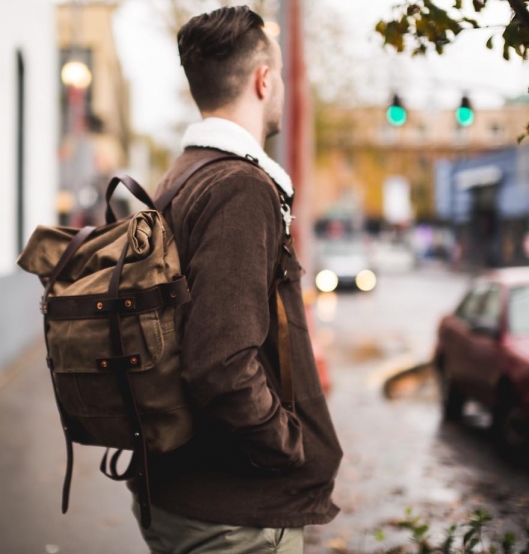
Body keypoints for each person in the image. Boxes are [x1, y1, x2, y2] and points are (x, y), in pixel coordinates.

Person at [127, 5, 344, 553]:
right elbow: (220, 363)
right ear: (264, 80)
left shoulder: (181, 176)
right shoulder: (240, 189)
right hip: (233, 518)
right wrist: (286, 446)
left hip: (181, 494)